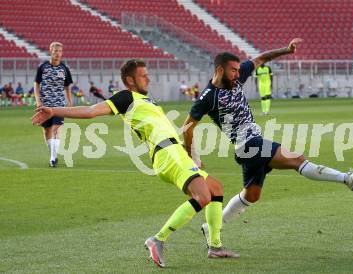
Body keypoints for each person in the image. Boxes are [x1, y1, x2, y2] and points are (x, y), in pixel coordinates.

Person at [32, 59, 239, 268]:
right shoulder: (126, 97)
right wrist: (54, 110)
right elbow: (91, 110)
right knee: (202, 196)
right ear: (130, 80)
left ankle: (215, 247)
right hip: (166, 153)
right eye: (143, 75)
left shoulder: (147, 100)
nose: (148, 78)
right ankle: (157, 240)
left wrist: (190, 154)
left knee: (215, 188)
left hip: (176, 152)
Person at [182, 38, 353, 245]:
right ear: (219, 70)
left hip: (250, 147)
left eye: (237, 70)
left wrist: (286, 51)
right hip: (248, 145)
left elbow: (261, 58)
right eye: (233, 70)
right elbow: (188, 126)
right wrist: (191, 154)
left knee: (251, 196)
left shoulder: (237, 77)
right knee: (297, 159)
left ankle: (212, 227)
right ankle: (346, 179)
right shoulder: (208, 96)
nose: (237, 74)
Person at [34, 42, 73, 167]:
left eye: (59, 51)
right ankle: (53, 154)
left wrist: (70, 101)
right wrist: (38, 100)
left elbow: (67, 87)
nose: (57, 53)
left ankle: (52, 158)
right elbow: (36, 84)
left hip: (59, 105)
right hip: (45, 104)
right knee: (47, 131)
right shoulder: (43, 67)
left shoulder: (64, 69)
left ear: (62, 53)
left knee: (56, 129)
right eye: (55, 51)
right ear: (50, 51)